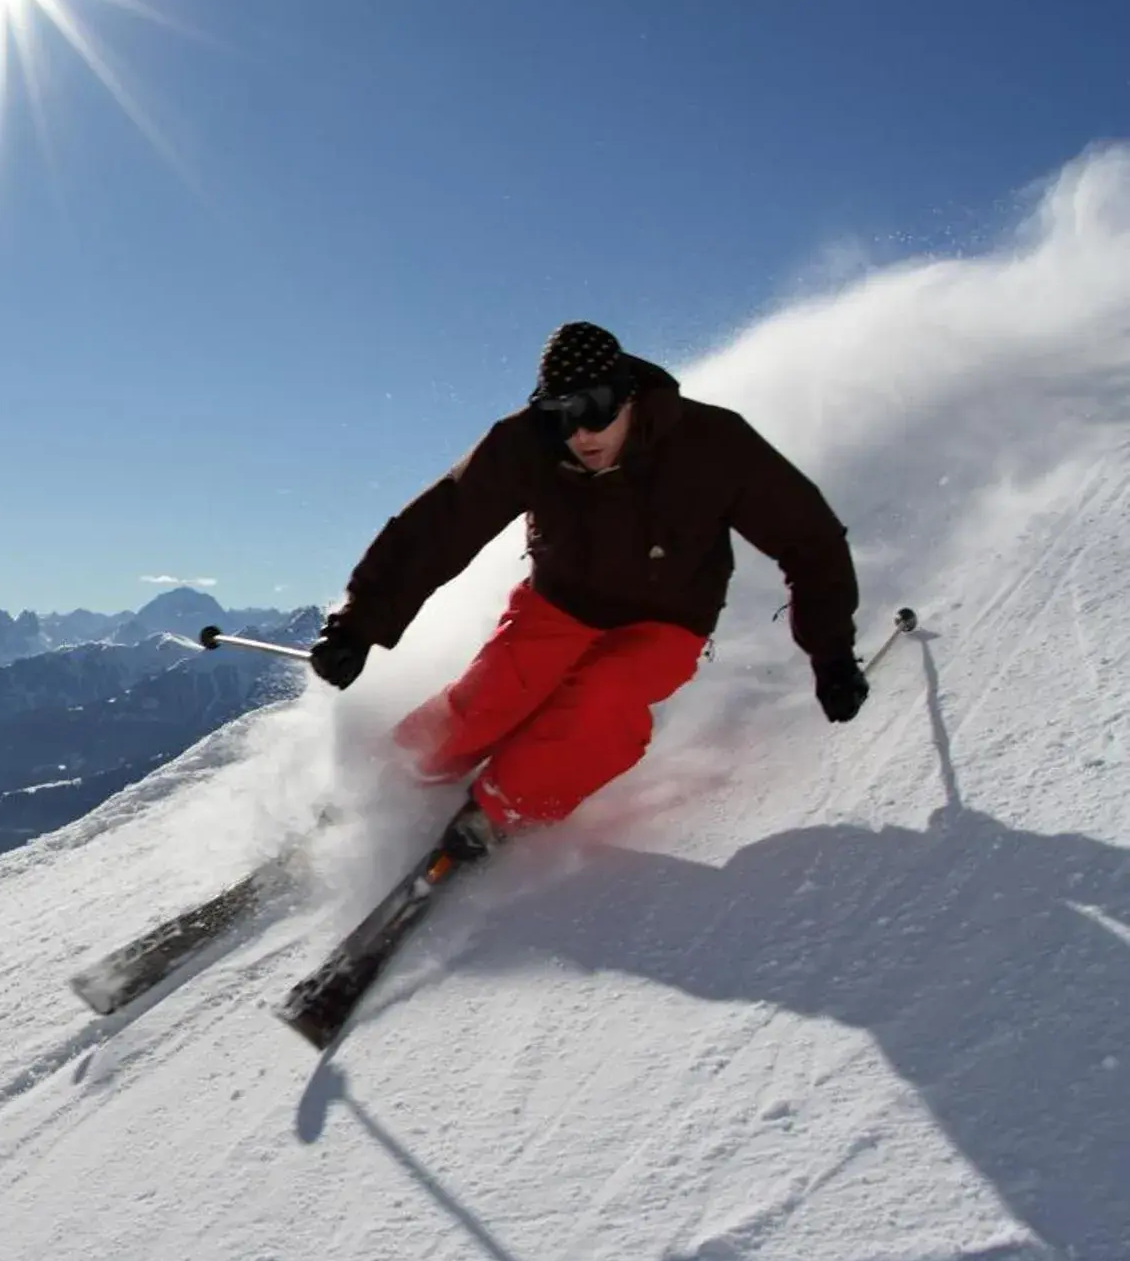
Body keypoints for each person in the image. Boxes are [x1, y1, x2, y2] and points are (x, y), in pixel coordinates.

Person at [307, 321, 867, 859]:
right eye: (559, 416)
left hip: (666, 620)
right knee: (493, 694)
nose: (579, 434)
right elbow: (440, 526)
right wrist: (359, 625)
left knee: (604, 699)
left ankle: (502, 808)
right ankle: (391, 781)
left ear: (629, 397)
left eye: (594, 410)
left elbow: (809, 539)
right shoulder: (527, 445)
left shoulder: (710, 447)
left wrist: (832, 651)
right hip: (558, 603)